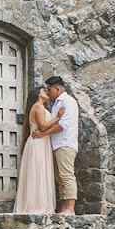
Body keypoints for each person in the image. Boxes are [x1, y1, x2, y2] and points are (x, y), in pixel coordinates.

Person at [14, 86, 64, 213]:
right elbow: (42, 127)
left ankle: (37, 204)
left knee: (39, 172)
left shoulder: (40, 107)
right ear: (38, 94)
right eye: (43, 91)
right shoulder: (38, 107)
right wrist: (57, 118)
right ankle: (36, 206)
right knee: (38, 172)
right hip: (38, 143)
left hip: (41, 143)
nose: (46, 92)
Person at [33, 76, 79, 215]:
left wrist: (43, 134)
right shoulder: (57, 103)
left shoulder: (67, 101)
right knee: (60, 177)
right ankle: (64, 208)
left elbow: (63, 125)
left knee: (66, 175)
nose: (48, 92)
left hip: (65, 143)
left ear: (57, 89)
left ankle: (70, 208)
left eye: (49, 89)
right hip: (57, 144)